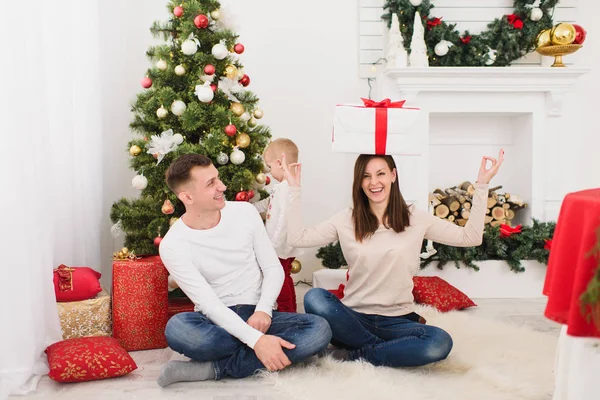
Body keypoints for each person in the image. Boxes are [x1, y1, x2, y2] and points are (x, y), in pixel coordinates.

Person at [282, 150, 504, 367]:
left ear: (393, 175)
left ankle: (359, 354)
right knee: (314, 298)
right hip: (353, 318)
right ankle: (387, 351)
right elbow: (297, 237)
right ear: (359, 182)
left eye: (380, 173)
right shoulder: (346, 219)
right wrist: (293, 189)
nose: (373, 182)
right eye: (366, 176)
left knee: (439, 342)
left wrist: (482, 185)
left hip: (397, 320)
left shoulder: (415, 218)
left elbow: (470, 237)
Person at [157, 154, 332, 386]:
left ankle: (214, 368)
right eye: (211, 183)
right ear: (187, 196)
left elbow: (272, 268)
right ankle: (271, 351)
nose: (222, 186)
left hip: (259, 315)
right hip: (214, 321)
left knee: (319, 330)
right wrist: (257, 342)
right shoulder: (173, 244)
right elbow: (210, 305)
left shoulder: (244, 213)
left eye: (217, 178)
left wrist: (263, 311)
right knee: (178, 329)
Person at [253, 138, 303, 312]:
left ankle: (286, 311)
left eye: (270, 167)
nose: (269, 172)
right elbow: (268, 204)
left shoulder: (285, 188)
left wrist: (272, 244)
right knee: (285, 278)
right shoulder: (283, 187)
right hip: (283, 246)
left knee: (279, 280)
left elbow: (282, 218)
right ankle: (290, 310)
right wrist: (248, 207)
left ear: (279, 163)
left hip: (279, 246)